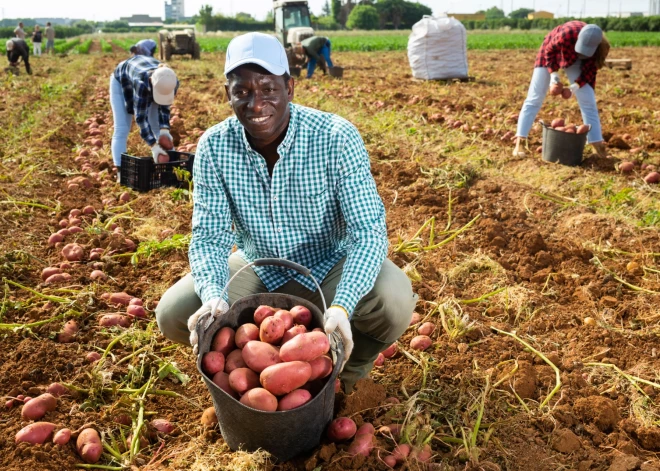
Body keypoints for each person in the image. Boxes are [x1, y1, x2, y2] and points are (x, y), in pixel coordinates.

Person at [155, 32, 417, 392]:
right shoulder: (215, 146)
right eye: (242, 90)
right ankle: (248, 384)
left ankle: (351, 371)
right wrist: (215, 296)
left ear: (290, 88)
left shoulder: (336, 137)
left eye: (267, 88)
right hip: (258, 266)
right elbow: (211, 236)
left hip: (329, 265)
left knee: (393, 301)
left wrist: (341, 307)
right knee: (173, 313)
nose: (256, 103)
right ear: (227, 93)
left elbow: (368, 232)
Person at [513, 21, 610, 158]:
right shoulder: (566, 35)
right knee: (535, 97)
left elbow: (589, 71)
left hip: (576, 59)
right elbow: (550, 52)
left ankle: (597, 144)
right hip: (552, 52)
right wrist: (554, 78)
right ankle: (520, 140)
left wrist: (573, 88)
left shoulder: (601, 48)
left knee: (588, 101)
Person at [110, 55, 179, 180]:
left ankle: (170, 170)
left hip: (149, 80)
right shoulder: (141, 83)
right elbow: (141, 118)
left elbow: (164, 106)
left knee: (158, 128)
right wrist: (153, 146)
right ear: (152, 85)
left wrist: (165, 130)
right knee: (122, 128)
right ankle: (121, 173)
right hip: (122, 81)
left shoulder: (171, 81)